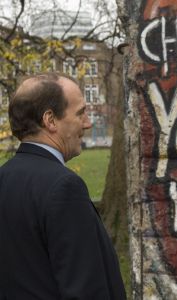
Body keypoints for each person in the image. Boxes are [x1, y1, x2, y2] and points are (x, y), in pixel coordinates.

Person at [0, 73, 126, 299]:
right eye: (80, 113)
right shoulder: (64, 187)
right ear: (50, 120)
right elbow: (86, 288)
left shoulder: (4, 177)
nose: (88, 123)